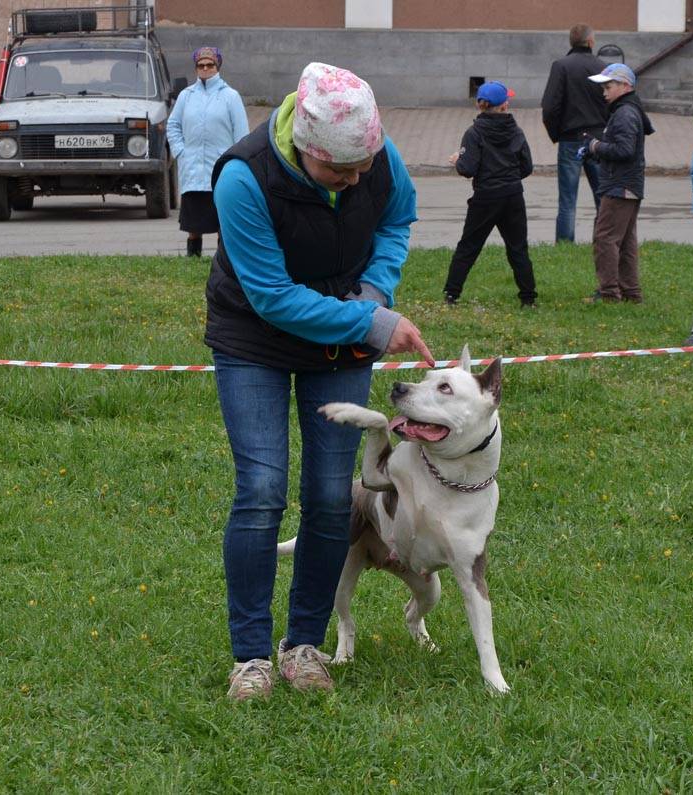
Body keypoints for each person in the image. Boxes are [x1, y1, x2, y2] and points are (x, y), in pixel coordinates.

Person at [207, 62, 435, 701]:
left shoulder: (372, 153)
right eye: (342, 172)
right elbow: (274, 298)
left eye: (363, 167)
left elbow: (396, 220)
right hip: (254, 338)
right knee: (260, 490)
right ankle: (250, 655)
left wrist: (374, 289)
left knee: (334, 497)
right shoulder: (243, 177)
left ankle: (302, 645)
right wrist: (368, 319)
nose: (357, 179)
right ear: (307, 150)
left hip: (344, 338)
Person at [442, 81, 537, 309]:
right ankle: (528, 298)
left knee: (468, 247)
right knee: (518, 248)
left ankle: (451, 294)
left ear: (479, 105)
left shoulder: (474, 133)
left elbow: (468, 169)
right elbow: (527, 167)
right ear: (505, 105)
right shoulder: (516, 131)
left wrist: (458, 161)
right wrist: (509, 178)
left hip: (485, 197)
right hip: (513, 195)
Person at [581, 63, 654, 304]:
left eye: (608, 86)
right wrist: (597, 149)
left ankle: (609, 294)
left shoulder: (624, 113)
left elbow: (624, 150)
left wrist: (595, 146)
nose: (604, 92)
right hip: (627, 184)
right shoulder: (626, 109)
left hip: (620, 185)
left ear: (625, 86)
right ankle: (631, 293)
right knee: (625, 241)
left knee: (605, 238)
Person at [166, 47, 249, 258]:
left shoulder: (230, 96)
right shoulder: (186, 96)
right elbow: (173, 125)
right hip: (192, 167)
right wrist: (180, 152)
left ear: (217, 66)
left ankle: (224, 259)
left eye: (209, 65)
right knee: (194, 219)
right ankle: (193, 256)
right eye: (201, 65)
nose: (205, 69)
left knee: (223, 216)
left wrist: (237, 162)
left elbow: (241, 133)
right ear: (196, 68)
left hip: (221, 168)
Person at [540, 23, 609, 244]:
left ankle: (564, 244)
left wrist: (556, 134)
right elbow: (611, 103)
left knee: (567, 200)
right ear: (590, 42)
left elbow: (550, 106)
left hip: (570, 139)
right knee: (603, 197)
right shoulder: (603, 67)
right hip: (598, 139)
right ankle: (604, 242)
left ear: (572, 42)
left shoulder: (561, 66)